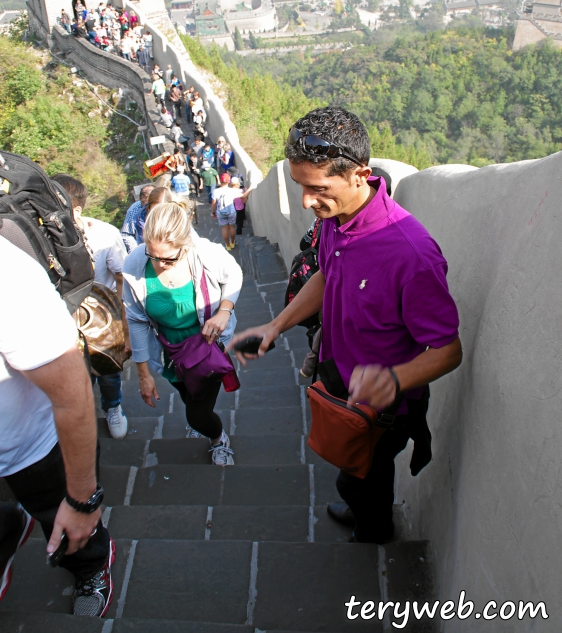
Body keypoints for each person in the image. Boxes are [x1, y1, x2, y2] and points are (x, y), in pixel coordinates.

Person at [231, 106, 461, 545]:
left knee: (364, 476)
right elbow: (325, 273)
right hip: (339, 381)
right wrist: (277, 325)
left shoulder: (410, 255)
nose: (305, 202)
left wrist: (392, 379)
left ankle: (372, 532)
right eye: (299, 186)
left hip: (382, 407)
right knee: (353, 469)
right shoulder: (337, 219)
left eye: (318, 188)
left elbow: (449, 350)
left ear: (360, 174)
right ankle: (359, 502)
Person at [0, 236, 114, 616]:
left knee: (68, 530)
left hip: (31, 448)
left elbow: (74, 396)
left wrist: (83, 501)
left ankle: (91, 565)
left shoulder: (8, 274)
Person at [122, 202, 243, 464]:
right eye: (153, 256)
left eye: (168, 258)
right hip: (170, 351)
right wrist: (143, 375)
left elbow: (233, 274)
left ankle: (217, 438)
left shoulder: (205, 254)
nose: (160, 264)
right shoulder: (134, 263)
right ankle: (200, 422)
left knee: (196, 413)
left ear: (185, 245)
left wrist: (224, 311)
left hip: (206, 346)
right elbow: (137, 320)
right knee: (187, 394)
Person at [52, 175, 130, 440]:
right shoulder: (45, 238)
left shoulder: (106, 235)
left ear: (76, 210)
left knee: (107, 372)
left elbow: (121, 279)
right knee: (75, 376)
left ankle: (113, 407)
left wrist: (123, 325)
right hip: (64, 323)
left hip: (102, 321)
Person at [121, 184, 155, 253]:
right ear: (141, 200)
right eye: (144, 203)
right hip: (140, 247)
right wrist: (136, 252)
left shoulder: (163, 207)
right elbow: (127, 234)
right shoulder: (135, 209)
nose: (147, 208)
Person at [211, 173, 239, 251]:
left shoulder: (216, 191)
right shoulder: (232, 191)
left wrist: (213, 212)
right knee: (232, 227)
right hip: (231, 212)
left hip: (221, 212)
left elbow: (213, 203)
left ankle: (227, 245)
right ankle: (233, 243)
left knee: (224, 229)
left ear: (220, 180)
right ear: (229, 181)